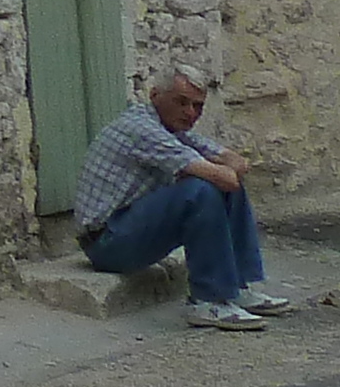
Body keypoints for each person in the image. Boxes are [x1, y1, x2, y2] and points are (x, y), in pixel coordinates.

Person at [75, 72, 295, 330]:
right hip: (106, 243)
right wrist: (224, 171)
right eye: (181, 102)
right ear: (155, 95)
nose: (190, 112)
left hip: (127, 227)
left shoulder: (171, 129)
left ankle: (236, 287)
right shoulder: (141, 129)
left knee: (217, 186)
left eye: (197, 106)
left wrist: (226, 169)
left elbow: (233, 160)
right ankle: (207, 300)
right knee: (199, 192)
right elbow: (225, 175)